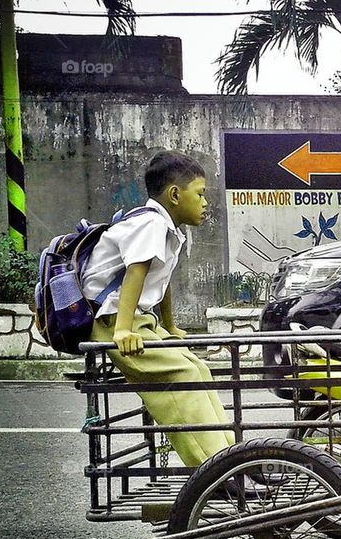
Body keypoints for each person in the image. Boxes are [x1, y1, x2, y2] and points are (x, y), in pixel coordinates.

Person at [81, 151, 238, 473]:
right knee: (181, 376)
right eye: (201, 194)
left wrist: (171, 325)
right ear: (175, 195)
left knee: (198, 368)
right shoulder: (151, 223)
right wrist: (123, 330)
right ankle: (213, 471)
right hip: (112, 321)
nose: (205, 202)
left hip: (136, 320)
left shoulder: (166, 228)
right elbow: (135, 273)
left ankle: (232, 458)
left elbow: (160, 279)